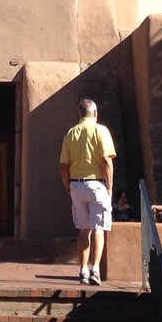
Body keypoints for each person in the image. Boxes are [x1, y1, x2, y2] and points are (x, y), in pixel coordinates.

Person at [59, 98, 116, 286]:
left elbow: (63, 166)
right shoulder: (101, 130)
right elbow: (107, 161)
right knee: (98, 228)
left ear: (80, 113)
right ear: (95, 112)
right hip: (97, 183)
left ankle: (83, 269)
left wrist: (68, 186)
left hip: (76, 184)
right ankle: (95, 270)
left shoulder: (71, 133)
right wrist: (109, 187)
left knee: (84, 230)